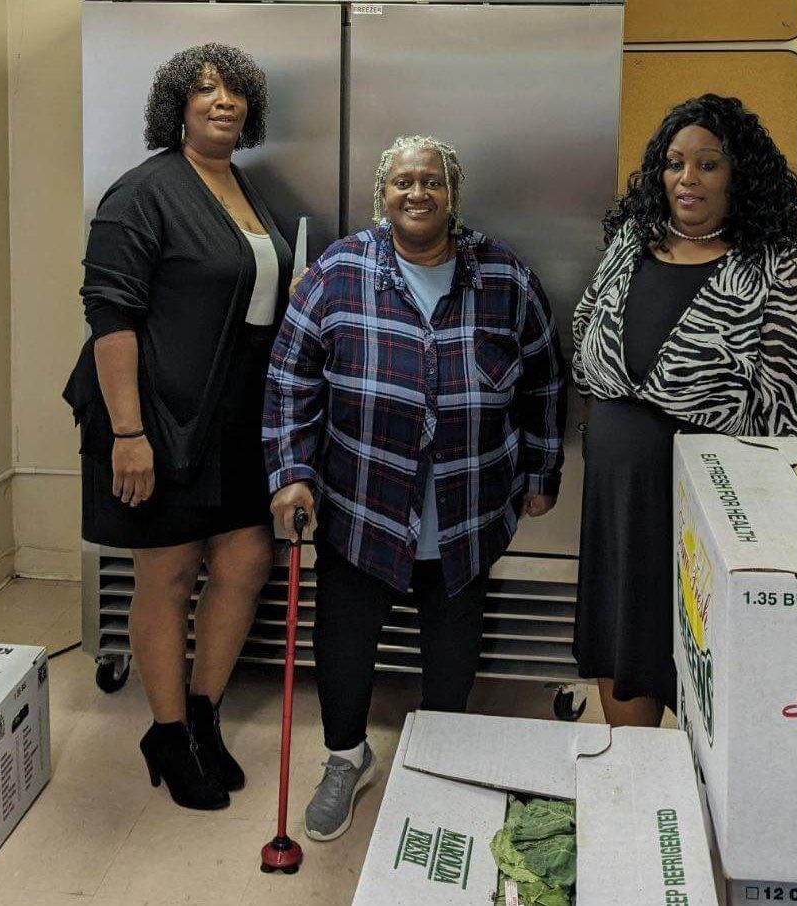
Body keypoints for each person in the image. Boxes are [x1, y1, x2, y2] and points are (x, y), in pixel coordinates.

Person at [264, 135, 566, 841]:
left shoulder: (503, 274)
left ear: (453, 194)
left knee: (453, 647)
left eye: (432, 181)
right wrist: (291, 475)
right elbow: (288, 382)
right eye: (403, 182)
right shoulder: (338, 272)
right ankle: (346, 757)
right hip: (361, 503)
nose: (418, 193)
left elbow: (546, 375)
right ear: (383, 195)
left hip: (467, 507)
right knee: (343, 641)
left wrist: (542, 471)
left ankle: (444, 761)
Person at [571, 94, 797, 729]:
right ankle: (641, 782)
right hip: (620, 495)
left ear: (738, 175)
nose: (687, 179)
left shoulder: (773, 267)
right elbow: (587, 330)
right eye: (675, 163)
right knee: (622, 637)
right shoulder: (629, 245)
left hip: (715, 506)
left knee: (711, 654)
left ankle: (702, 798)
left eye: (708, 164)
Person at [63, 44, 293, 810]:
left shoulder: (241, 184)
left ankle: (202, 712)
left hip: (232, 415)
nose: (222, 102)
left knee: (246, 559)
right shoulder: (142, 193)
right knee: (166, 571)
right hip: (154, 412)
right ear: (177, 107)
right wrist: (130, 434)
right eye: (205, 91)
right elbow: (111, 316)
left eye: (235, 91)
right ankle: (166, 732)